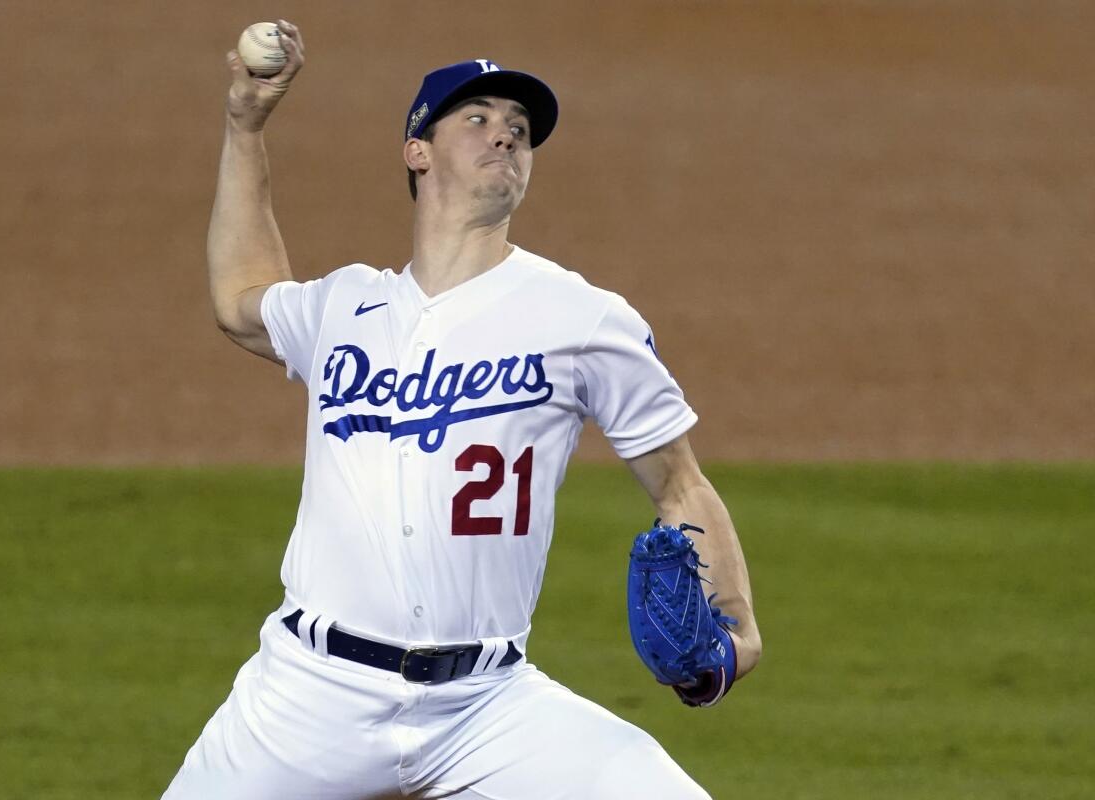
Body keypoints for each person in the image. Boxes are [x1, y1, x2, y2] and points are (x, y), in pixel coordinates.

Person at [163, 19, 761, 800]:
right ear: (417, 151)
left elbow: (681, 485)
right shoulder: (345, 308)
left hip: (487, 705)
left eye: (519, 130)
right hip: (308, 696)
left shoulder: (581, 317)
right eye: (476, 119)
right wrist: (245, 126)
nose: (506, 138)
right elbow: (240, 300)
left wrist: (738, 631)